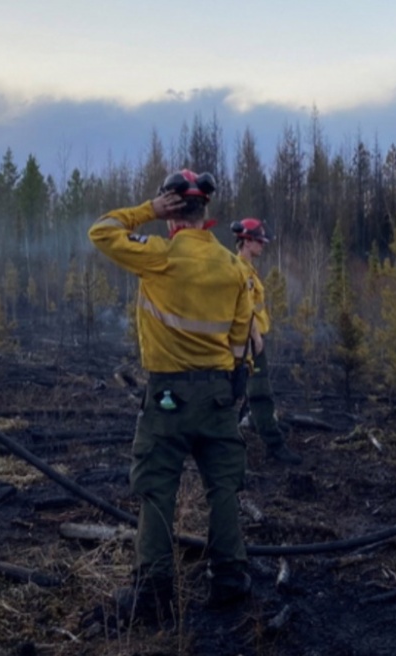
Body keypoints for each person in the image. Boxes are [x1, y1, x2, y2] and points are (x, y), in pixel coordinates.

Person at [90, 169, 255, 623]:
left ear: (172, 214)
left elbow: (101, 231)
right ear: (207, 215)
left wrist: (146, 210)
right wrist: (235, 385)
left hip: (168, 398)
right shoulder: (233, 265)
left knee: (157, 489)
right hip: (220, 394)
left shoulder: (159, 256)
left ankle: (155, 592)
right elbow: (242, 338)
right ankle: (229, 579)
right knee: (222, 488)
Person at [231, 218, 303, 466]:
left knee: (246, 394)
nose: (262, 245)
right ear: (247, 241)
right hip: (249, 343)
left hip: (252, 340)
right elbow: (244, 308)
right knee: (260, 393)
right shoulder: (239, 269)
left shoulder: (248, 268)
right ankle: (275, 446)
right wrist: (255, 335)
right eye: (259, 241)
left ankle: (254, 426)